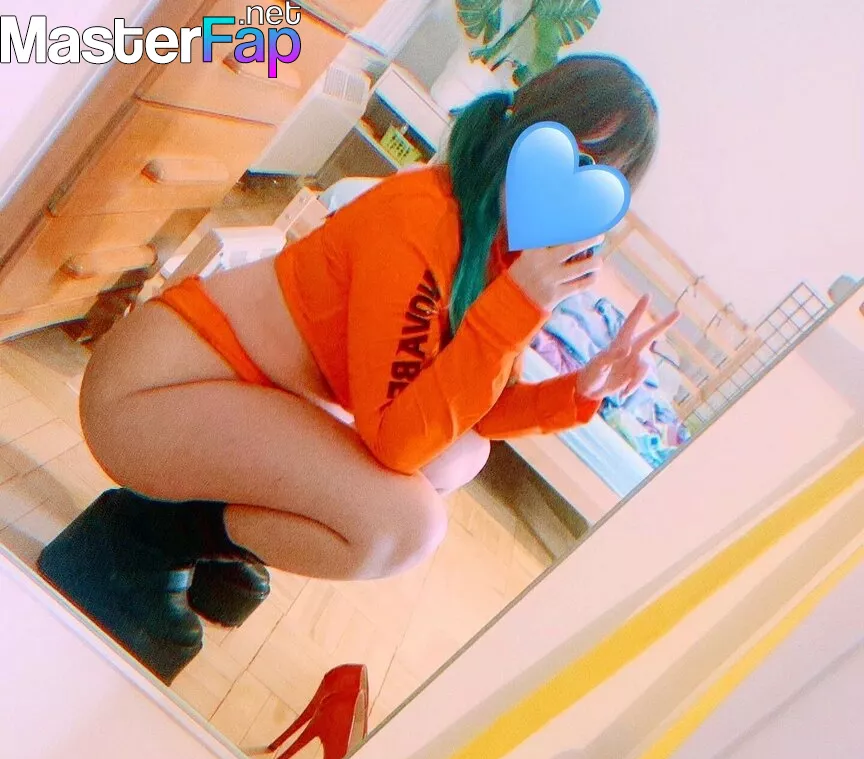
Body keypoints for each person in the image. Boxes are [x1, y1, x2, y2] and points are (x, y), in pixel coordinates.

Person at [38, 54, 679, 681]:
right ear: (525, 133)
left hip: (237, 400)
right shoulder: (426, 217)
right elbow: (397, 439)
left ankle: (198, 524)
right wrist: (519, 306)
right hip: (150, 394)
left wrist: (580, 390)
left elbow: (472, 412)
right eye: (575, 160)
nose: (570, 194)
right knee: (403, 526)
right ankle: (146, 532)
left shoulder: (504, 253)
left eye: (599, 186)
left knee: (461, 453)